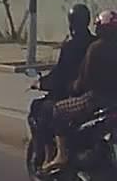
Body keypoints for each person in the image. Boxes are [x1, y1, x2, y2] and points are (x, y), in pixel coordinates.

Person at [43, 9, 117, 172]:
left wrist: (72, 88)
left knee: (58, 109)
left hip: (96, 99)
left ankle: (61, 155)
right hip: (113, 102)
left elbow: (84, 79)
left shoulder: (96, 48)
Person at [38, 4, 96, 97]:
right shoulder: (96, 43)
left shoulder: (70, 47)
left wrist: (42, 83)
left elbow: (60, 73)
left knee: (40, 104)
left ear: (71, 23)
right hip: (96, 93)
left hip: (75, 93)